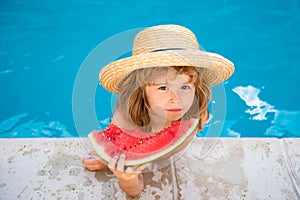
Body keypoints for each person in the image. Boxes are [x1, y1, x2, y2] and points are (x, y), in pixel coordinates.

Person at [82, 24, 234, 196]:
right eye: (163, 87)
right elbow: (135, 191)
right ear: (140, 91)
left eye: (185, 87)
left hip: (177, 145)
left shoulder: (194, 114)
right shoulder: (125, 112)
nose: (175, 98)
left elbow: (166, 151)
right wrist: (126, 176)